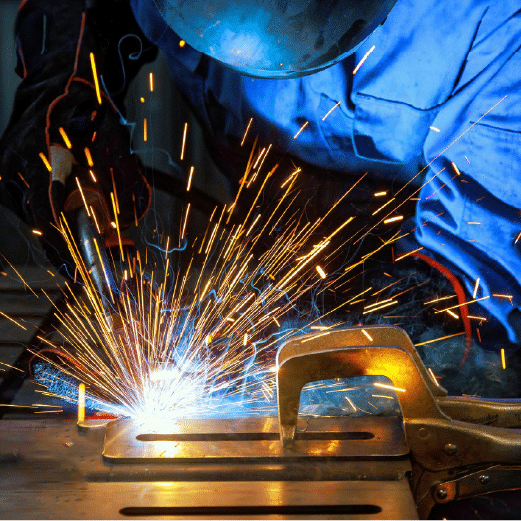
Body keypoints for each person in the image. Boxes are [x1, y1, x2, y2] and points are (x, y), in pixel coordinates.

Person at [1, 0, 520, 357]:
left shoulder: (497, 27)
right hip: (264, 204)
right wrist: (61, 90)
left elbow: (473, 296)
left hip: (412, 249)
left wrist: (299, 329)